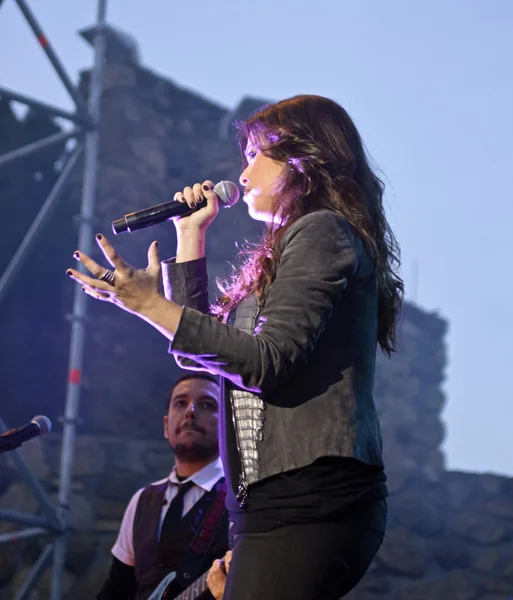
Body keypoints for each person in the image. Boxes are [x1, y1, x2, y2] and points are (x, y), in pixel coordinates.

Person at [68, 94, 404, 600]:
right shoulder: (290, 247)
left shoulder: (322, 232)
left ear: (303, 158)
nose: (242, 173)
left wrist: (145, 304)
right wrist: (190, 238)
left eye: (254, 155)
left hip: (311, 498)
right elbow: (203, 357)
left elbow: (266, 363)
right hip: (269, 502)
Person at [96, 373, 230, 600]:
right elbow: (119, 587)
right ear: (167, 426)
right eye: (180, 403)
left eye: (206, 404)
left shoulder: (242, 499)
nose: (191, 411)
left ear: (228, 425)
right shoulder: (142, 500)